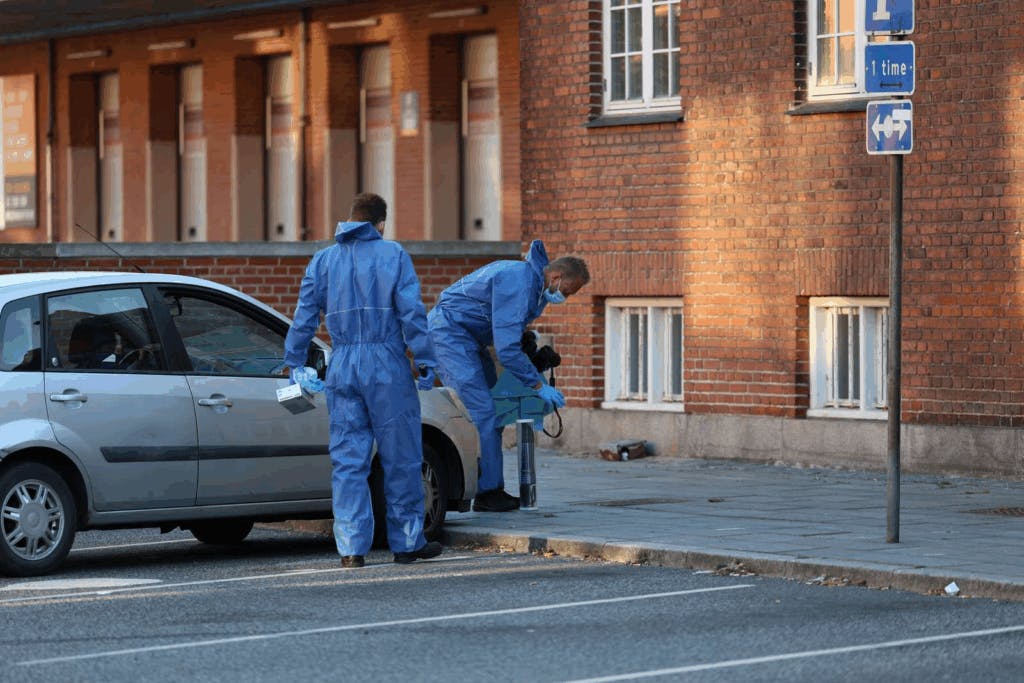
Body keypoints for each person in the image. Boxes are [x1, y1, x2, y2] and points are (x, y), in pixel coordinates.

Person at [284, 192, 442, 568]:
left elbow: (304, 316)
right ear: (381, 223)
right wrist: (425, 359)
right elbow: (412, 314)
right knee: (401, 456)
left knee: (348, 460)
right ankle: (406, 543)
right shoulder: (393, 255)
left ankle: (351, 548)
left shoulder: (323, 260)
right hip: (386, 362)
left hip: (343, 363)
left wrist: (293, 362)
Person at [427, 240, 590, 512]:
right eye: (568, 291)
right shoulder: (520, 282)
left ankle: (484, 481)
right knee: (485, 411)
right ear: (557, 277)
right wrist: (538, 385)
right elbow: (506, 350)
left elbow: (509, 333)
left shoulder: (532, 285)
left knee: (497, 409)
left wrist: (532, 351)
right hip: (449, 336)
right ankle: (488, 491)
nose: (566, 297)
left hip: (466, 338)